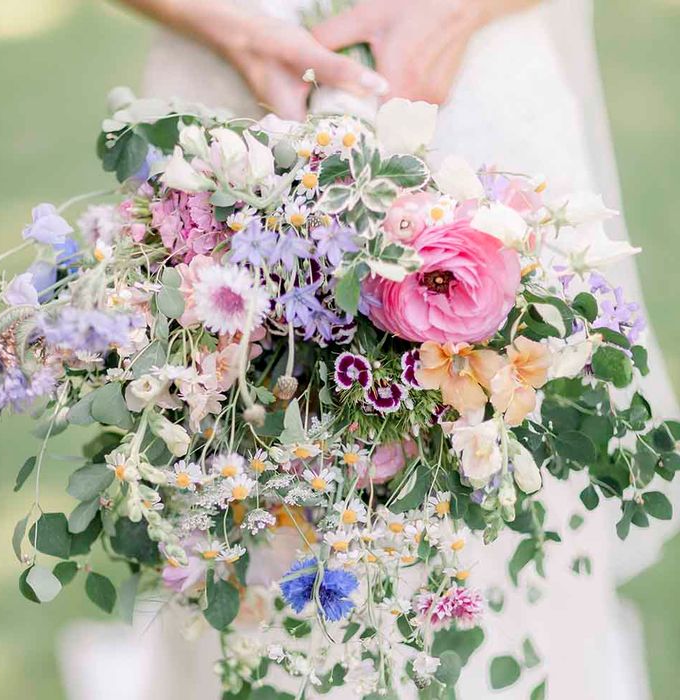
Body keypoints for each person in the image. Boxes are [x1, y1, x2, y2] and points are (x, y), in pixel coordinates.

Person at [60, 1, 679, 697]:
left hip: (469, 85)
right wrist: (231, 25)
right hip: (230, 99)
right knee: (251, 513)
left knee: (503, 504)